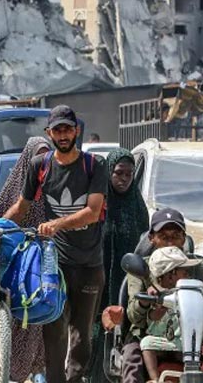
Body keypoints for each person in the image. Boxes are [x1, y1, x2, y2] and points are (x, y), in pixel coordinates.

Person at [5, 105, 108, 383]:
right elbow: (22, 206)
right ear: (49, 133)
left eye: (67, 129)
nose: (63, 135)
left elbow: (93, 212)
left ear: (77, 131)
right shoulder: (40, 165)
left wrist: (57, 224)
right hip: (55, 265)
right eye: (57, 130)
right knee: (54, 330)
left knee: (82, 335)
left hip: (89, 264)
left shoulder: (94, 165)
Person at [107, 208, 203, 383]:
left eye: (175, 236)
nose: (170, 242)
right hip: (145, 334)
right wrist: (145, 302)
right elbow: (133, 317)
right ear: (152, 238)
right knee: (131, 358)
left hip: (188, 335)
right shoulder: (140, 268)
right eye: (163, 237)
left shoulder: (193, 266)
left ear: (184, 239)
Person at [0, 136, 52, 383]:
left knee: (43, 316)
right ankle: (16, 371)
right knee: (20, 317)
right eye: (38, 157)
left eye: (46, 158)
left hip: (45, 263)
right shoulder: (16, 189)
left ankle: (38, 369)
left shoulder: (54, 189)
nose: (42, 163)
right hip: (17, 265)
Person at [89, 149, 150, 382]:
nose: (123, 179)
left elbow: (145, 247)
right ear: (108, 173)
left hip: (127, 286)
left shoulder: (138, 207)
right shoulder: (96, 204)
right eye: (118, 173)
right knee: (95, 336)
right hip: (98, 283)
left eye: (128, 174)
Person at [141, 247, 200, 383]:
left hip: (184, 341)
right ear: (170, 275)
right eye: (184, 272)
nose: (188, 275)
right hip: (163, 340)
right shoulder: (155, 293)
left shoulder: (191, 291)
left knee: (196, 346)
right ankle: (155, 379)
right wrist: (160, 304)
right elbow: (153, 318)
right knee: (146, 342)